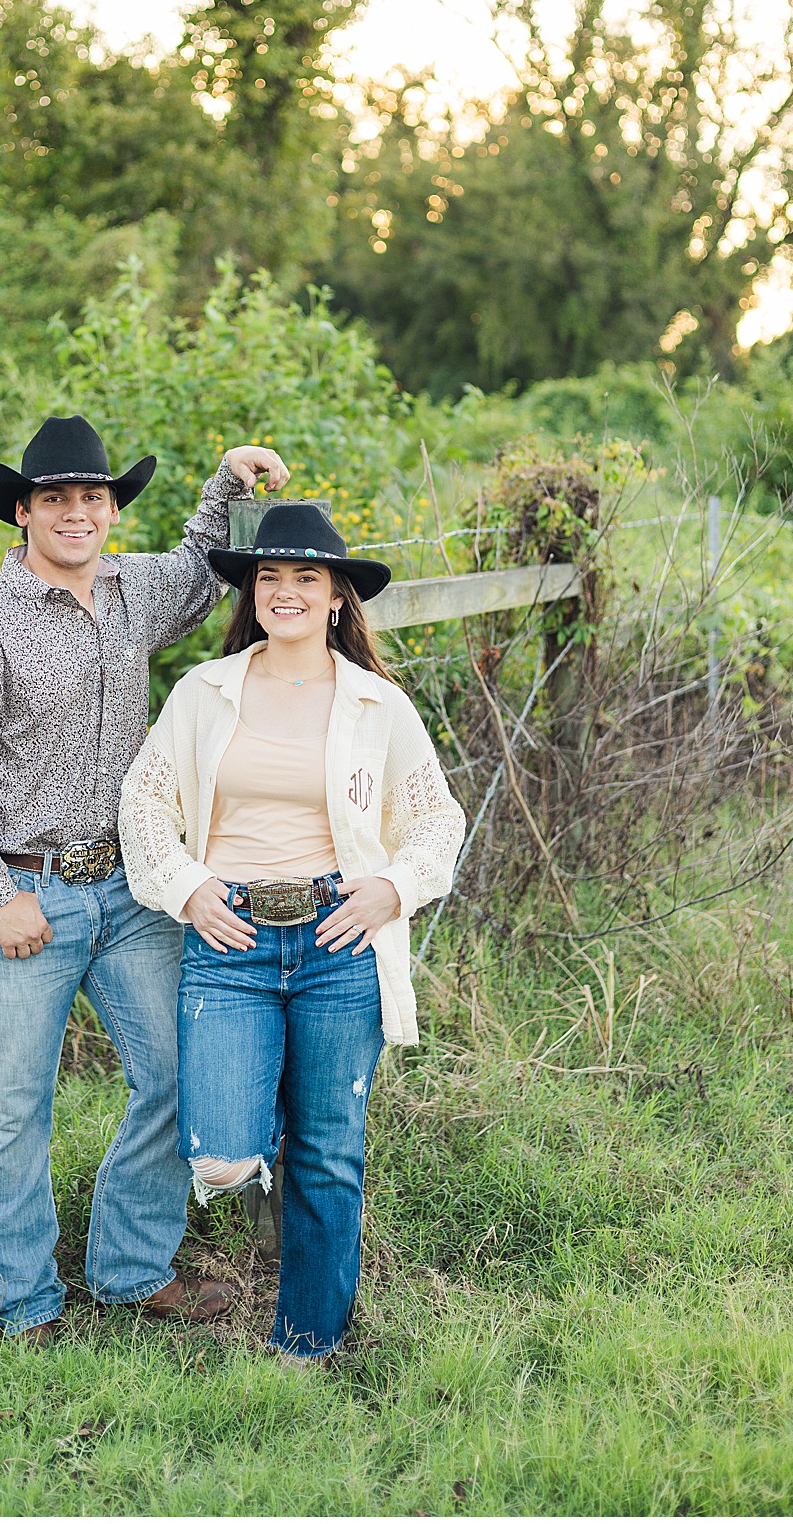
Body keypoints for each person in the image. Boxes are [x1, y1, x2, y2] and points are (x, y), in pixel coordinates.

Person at [0, 414, 289, 1346]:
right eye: (57, 498)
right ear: (23, 512)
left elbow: (200, 568)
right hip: (22, 891)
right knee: (16, 1108)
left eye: (94, 497)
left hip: (130, 889)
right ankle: (26, 1303)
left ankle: (130, 1269)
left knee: (176, 1075)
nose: (77, 512)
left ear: (111, 508)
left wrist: (228, 481)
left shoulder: (130, 589)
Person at [119, 501, 465, 1364]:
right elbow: (145, 800)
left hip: (337, 940)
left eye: (306, 577)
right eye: (270, 577)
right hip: (229, 935)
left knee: (329, 1153)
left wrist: (392, 887)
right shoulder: (207, 691)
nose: (286, 592)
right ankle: (266, 1100)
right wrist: (188, 887)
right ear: (253, 593)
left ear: (339, 597)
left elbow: (435, 819)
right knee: (225, 1156)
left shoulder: (377, 706)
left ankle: (307, 1342)